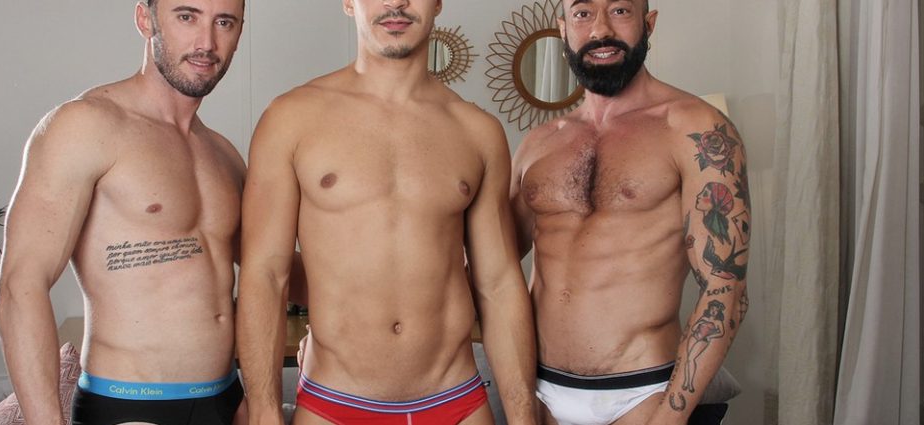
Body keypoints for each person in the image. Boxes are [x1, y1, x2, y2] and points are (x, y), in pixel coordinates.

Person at [235, 0, 539, 423]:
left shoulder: (478, 131)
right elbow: (266, 274)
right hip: (334, 400)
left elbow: (499, 284)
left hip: (455, 398)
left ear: (438, 3)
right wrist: (264, 411)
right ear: (349, 3)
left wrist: (523, 416)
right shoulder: (290, 119)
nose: (395, 3)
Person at [0, 0, 247, 423]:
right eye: (187, 17)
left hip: (227, 399)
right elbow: (21, 284)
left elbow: (269, 267)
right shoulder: (87, 125)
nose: (206, 42)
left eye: (224, 22)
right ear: (145, 19)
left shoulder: (223, 155)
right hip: (131, 402)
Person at [509, 0, 751, 424]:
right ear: (563, 29)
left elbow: (725, 288)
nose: (600, 29)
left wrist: (670, 417)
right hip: (541, 390)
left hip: (644, 392)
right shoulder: (538, 144)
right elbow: (492, 270)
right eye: (583, 13)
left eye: (620, 10)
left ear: (648, 23)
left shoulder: (694, 128)